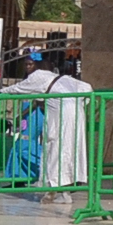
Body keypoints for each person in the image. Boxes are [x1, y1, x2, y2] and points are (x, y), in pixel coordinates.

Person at [39, 55, 92, 207]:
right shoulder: (68, 84)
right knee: (65, 156)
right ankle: (63, 192)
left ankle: (54, 191)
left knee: (57, 155)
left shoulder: (48, 82)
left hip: (60, 125)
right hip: (68, 122)